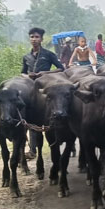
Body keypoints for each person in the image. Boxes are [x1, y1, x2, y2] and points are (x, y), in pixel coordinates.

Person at [21, 27, 64, 159]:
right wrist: (27, 76)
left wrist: (45, 73)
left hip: (45, 89)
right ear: (29, 39)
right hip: (31, 89)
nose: (34, 39)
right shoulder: (26, 57)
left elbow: (61, 68)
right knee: (31, 118)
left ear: (41, 39)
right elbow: (22, 72)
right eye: (32, 37)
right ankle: (32, 150)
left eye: (37, 37)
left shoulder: (48, 54)